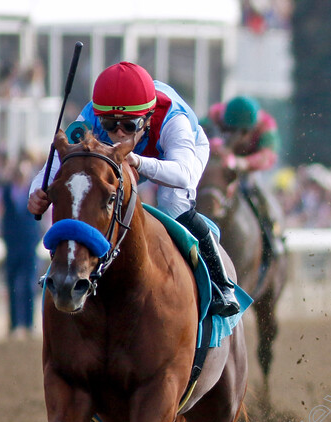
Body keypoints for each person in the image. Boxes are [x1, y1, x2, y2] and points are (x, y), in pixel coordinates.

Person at [27, 61, 239, 317]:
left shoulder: (175, 120)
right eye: (109, 124)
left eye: (128, 126)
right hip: (125, 158)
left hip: (177, 158)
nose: (118, 133)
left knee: (172, 201)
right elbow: (57, 163)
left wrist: (137, 161)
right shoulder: (90, 115)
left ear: (148, 118)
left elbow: (184, 174)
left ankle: (220, 284)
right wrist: (37, 191)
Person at [200, 95, 284, 259]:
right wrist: (218, 146)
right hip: (219, 165)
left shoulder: (266, 125)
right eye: (229, 130)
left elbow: (269, 155)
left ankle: (272, 235)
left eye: (241, 132)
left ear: (252, 129)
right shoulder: (215, 115)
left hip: (247, 169)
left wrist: (242, 163)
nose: (235, 136)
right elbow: (198, 132)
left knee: (260, 196)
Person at [0, 151, 43, 339]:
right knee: (11, 283)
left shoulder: (33, 192)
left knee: (29, 284)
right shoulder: (5, 192)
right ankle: (13, 324)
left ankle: (27, 323)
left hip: (29, 244)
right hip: (12, 244)